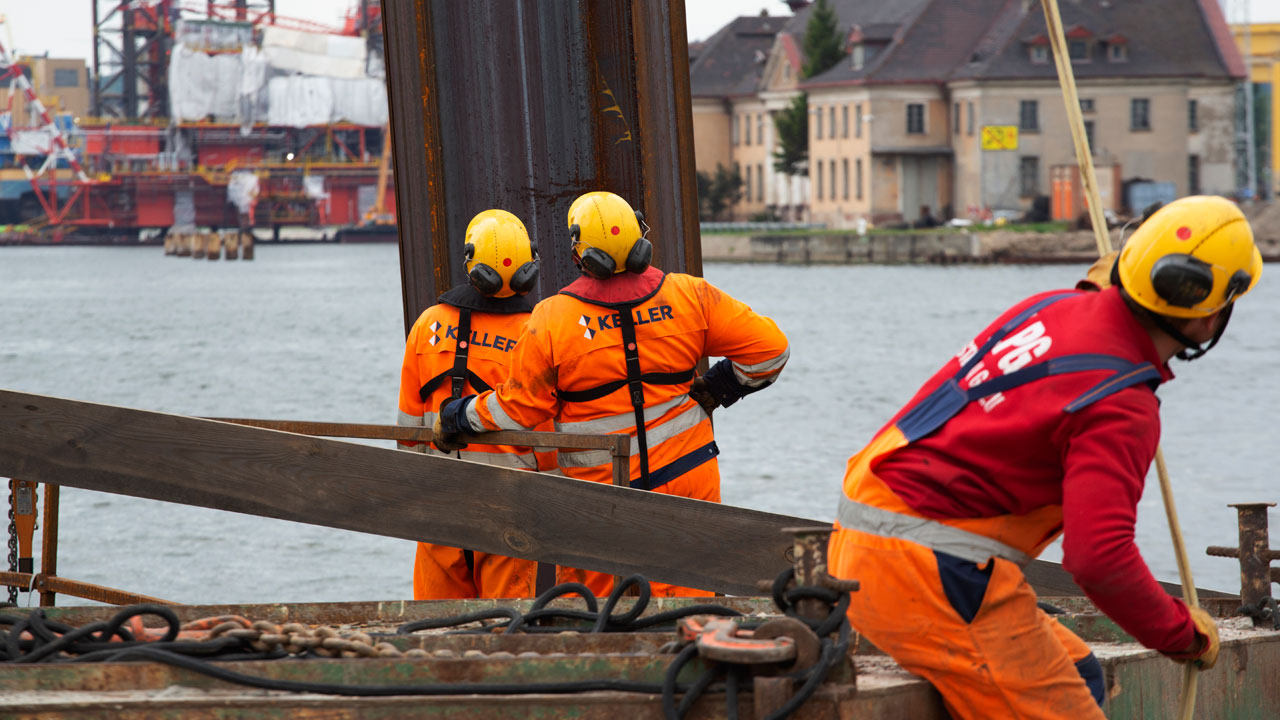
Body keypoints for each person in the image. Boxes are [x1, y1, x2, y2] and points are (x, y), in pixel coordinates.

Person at [827, 195, 1257, 718]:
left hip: (864, 543)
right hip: (928, 573)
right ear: (1211, 315)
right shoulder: (1121, 402)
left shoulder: (1049, 308)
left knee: (1080, 672)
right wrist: (1183, 634)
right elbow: (1099, 559)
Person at [432, 191, 790, 597]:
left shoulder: (552, 319)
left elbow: (517, 409)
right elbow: (771, 351)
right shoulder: (690, 296)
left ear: (579, 252)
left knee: (601, 609)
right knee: (690, 598)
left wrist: (460, 416)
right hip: (688, 477)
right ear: (640, 240)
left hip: (599, 493)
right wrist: (718, 388)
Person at [396, 208, 554, 600]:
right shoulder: (535, 331)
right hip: (509, 505)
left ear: (471, 263)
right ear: (528, 268)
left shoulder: (428, 324)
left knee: (434, 629)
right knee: (504, 629)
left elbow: (407, 429)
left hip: (438, 500)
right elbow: (548, 437)